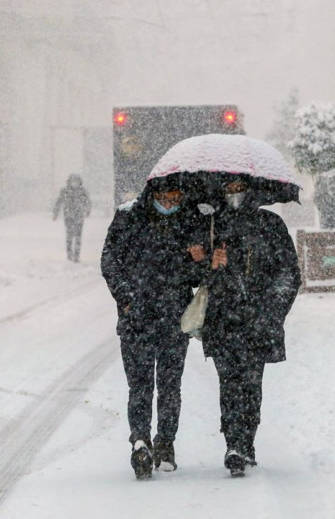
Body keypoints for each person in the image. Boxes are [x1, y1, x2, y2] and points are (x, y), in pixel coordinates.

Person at [194, 176, 301, 477]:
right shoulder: (211, 226)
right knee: (229, 383)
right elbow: (193, 274)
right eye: (228, 188)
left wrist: (271, 311)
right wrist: (209, 263)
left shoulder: (270, 225)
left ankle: (246, 441)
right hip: (222, 320)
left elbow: (288, 273)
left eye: (239, 188)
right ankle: (234, 444)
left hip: (257, 321)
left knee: (251, 385)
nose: (234, 193)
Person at [100, 176, 202, 480]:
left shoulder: (190, 219)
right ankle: (141, 441)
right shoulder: (128, 216)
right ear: (153, 194)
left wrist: (197, 260)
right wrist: (126, 299)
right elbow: (109, 260)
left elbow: (196, 277)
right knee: (141, 385)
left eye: (176, 199)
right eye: (164, 199)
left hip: (174, 317)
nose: (170, 204)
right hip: (137, 318)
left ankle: (165, 443)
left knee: (170, 386)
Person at [53, 174, 91, 262]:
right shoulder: (65, 191)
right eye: (73, 181)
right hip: (68, 216)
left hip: (79, 216)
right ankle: (69, 255)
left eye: (76, 181)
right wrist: (55, 212)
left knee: (78, 236)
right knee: (69, 236)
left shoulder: (82, 191)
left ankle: (76, 256)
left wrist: (88, 210)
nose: (74, 183)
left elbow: (87, 201)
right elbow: (59, 202)